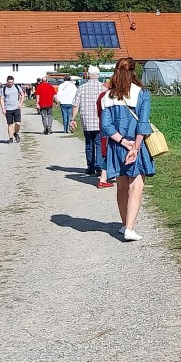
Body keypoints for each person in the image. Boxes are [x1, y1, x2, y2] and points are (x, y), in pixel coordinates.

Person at [99, 57, 155, 242]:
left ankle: (125, 224)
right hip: (135, 145)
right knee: (136, 184)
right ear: (134, 71)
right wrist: (135, 147)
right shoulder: (141, 93)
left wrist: (122, 142)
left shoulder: (108, 96)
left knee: (122, 186)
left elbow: (106, 126)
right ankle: (130, 229)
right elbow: (143, 124)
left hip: (117, 146)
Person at [69, 65, 108, 180]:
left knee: (89, 144)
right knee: (99, 143)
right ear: (98, 75)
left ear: (88, 75)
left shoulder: (81, 88)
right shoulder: (103, 88)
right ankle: (99, 166)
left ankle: (90, 166)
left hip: (86, 121)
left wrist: (72, 119)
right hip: (100, 120)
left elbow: (76, 104)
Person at [0, 76, 26, 143]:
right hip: (8, 109)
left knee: (18, 123)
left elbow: (22, 94)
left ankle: (16, 133)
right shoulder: (4, 89)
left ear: (13, 82)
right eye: (9, 82)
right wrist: (3, 108)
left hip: (16, 108)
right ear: (7, 82)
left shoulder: (17, 87)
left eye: (11, 82)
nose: (10, 84)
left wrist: (20, 103)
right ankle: (10, 138)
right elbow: (2, 99)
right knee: (10, 124)